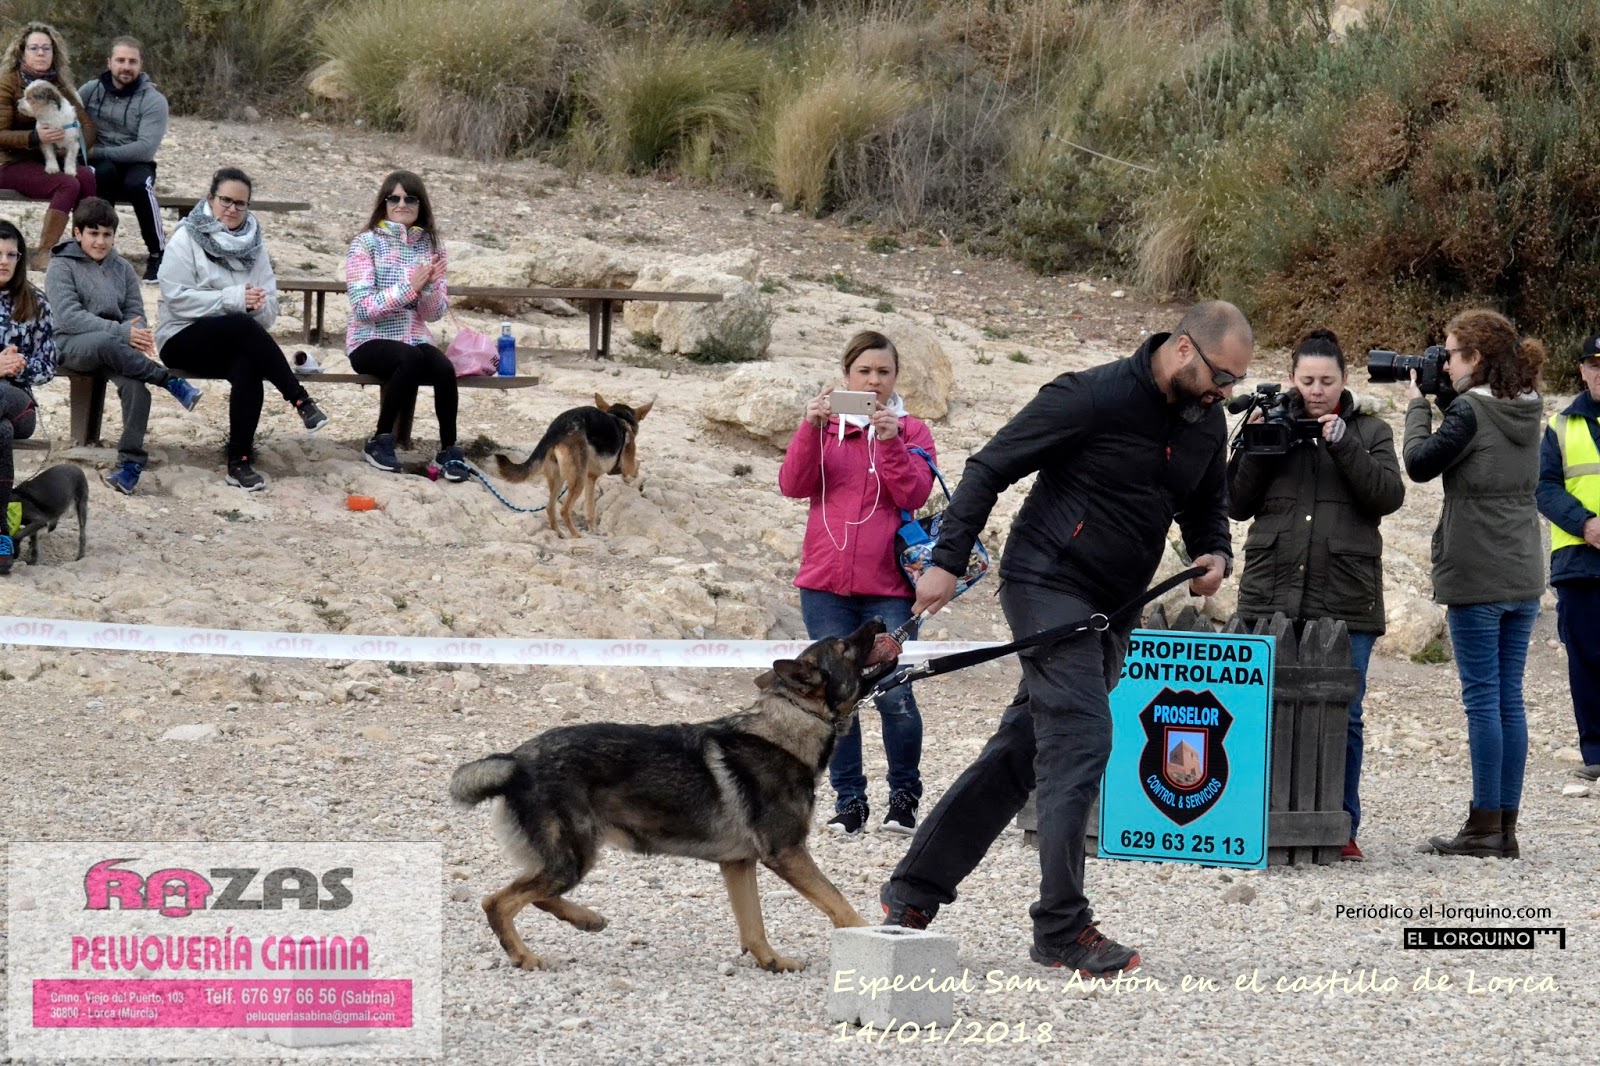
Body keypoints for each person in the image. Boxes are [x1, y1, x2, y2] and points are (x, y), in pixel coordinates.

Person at [878, 301, 1251, 977]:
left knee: (1023, 749)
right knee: (1081, 736)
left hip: (1116, 606)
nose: (1227, 392)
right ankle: (1061, 927)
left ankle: (911, 892)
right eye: (1222, 376)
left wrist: (1213, 551)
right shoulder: (1090, 396)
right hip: (1045, 580)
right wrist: (946, 560)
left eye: (1235, 382)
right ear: (1185, 349)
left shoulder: (1205, 419)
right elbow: (989, 466)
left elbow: (1207, 501)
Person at [1228, 329, 1404, 863]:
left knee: (1344, 715)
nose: (1317, 390)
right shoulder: (1270, 423)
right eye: (1307, 380)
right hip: (1270, 593)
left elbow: (1387, 496)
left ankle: (1341, 824)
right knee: (1256, 709)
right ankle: (1250, 817)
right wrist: (1258, 441)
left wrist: (1343, 444)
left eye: (1327, 380)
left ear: (1345, 380)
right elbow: (1235, 502)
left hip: (1346, 599)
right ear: (1292, 378)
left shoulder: (1371, 430)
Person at [778, 330, 936, 837]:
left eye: (883, 372)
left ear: (896, 377)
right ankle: (850, 803)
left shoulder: (913, 431)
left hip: (889, 589)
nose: (873, 381)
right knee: (835, 694)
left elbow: (913, 493)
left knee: (893, 693)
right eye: (864, 371)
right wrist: (809, 428)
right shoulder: (824, 428)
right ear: (847, 375)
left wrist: (890, 442)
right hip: (825, 586)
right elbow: (792, 485)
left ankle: (903, 798)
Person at [1402, 309, 1544, 860]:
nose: (1444, 363)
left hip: (1477, 572)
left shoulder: (1470, 411)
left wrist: (1418, 403)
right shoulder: (1526, 405)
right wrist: (1447, 398)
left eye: (1452, 353)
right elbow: (1472, 439)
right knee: (1509, 698)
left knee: (1483, 700)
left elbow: (1420, 462)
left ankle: (1483, 826)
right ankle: (1504, 826)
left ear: (1476, 358)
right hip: (1522, 572)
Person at [156, 166, 328, 491]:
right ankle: (300, 400)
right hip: (181, 336)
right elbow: (175, 299)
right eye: (226, 200)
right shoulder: (185, 238)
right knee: (239, 323)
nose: (232, 209)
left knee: (248, 364)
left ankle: (239, 462)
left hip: (234, 340)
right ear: (211, 198)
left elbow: (270, 309)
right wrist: (235, 300)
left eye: (240, 203)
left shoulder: (255, 246)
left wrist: (256, 305)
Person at [45, 197, 201, 495]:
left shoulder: (123, 268)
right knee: (105, 341)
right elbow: (68, 317)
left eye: (107, 234)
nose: (100, 241)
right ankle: (168, 380)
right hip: (70, 343)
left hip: (116, 347)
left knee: (136, 388)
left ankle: (130, 464)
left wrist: (137, 333)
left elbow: (135, 313)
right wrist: (121, 331)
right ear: (77, 233)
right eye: (93, 233)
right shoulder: (61, 265)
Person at [344, 169, 464, 476]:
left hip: (415, 338)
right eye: (394, 198)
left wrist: (429, 288)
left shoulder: (432, 247)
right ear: (383, 204)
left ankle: (448, 450)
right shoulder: (365, 243)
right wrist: (409, 288)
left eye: (410, 199)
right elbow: (362, 307)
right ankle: (380, 439)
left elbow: (433, 314)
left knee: (443, 367)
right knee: (408, 358)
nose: (401, 204)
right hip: (369, 339)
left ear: (420, 205)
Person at [1535, 334, 1600, 784]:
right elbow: (1545, 488)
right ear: (1582, 370)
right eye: (1594, 364)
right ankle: (1595, 752)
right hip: (1578, 561)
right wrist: (1586, 524)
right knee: (1587, 658)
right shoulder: (1559, 426)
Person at [0, 22, 98, 272]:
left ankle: (85, 248)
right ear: (22, 52)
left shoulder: (58, 85)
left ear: (54, 53)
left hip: (47, 160)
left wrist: (72, 145)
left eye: (46, 48)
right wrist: (34, 137)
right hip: (10, 162)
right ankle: (44, 253)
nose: (41, 53)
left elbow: (87, 125)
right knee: (67, 183)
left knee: (86, 176)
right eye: (34, 48)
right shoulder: (7, 83)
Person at [78, 36, 167, 283]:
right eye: (120, 60)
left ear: (141, 65)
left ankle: (158, 253)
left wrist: (97, 152)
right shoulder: (89, 91)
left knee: (139, 184)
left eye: (132, 61)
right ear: (109, 62)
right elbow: (70, 122)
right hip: (101, 163)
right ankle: (97, 250)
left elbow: (145, 149)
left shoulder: (153, 100)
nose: (126, 67)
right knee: (101, 174)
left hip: (135, 162)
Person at [0, 219, 57, 574]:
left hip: (18, 403)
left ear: (20, 259)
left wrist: (16, 366)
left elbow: (48, 365)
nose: (4, 261)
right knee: (0, 432)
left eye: (11, 255)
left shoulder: (35, 302)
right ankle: (1, 532)